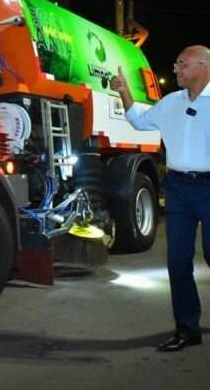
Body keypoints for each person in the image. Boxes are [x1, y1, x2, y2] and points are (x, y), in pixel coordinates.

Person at [110, 44, 210, 352]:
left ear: (202, 67)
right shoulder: (171, 102)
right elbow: (140, 119)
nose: (176, 69)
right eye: (177, 64)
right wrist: (125, 90)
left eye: (182, 64)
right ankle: (187, 328)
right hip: (179, 188)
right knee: (178, 261)